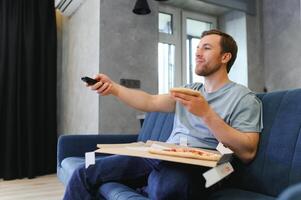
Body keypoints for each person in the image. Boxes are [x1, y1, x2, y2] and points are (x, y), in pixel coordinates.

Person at [63, 29, 263, 200]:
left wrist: (206, 114)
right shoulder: (189, 90)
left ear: (225, 57)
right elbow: (149, 101)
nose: (198, 53)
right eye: (197, 48)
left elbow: (248, 153)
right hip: (164, 156)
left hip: (214, 169)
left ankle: (147, 184)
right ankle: (147, 182)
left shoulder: (243, 97)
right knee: (85, 171)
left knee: (167, 186)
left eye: (206, 48)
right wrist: (113, 88)